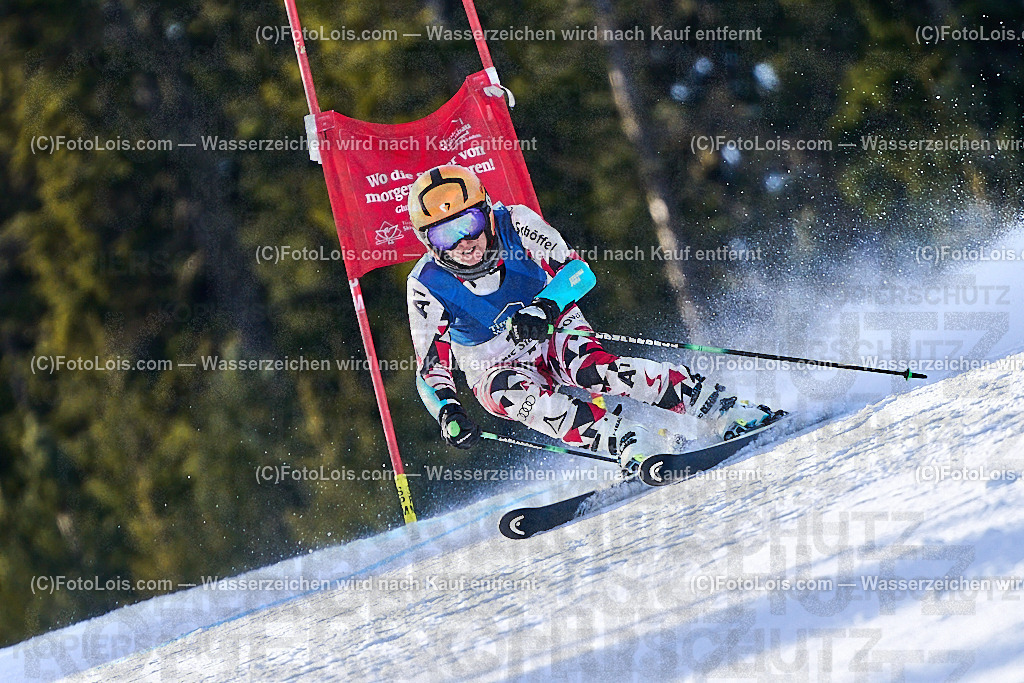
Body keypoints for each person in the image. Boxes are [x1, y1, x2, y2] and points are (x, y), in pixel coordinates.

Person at [406, 164, 780, 475]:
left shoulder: (515, 224)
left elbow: (578, 273)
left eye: (468, 224)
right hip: (491, 364)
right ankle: (626, 439)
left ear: (486, 215)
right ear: (428, 242)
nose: (463, 244)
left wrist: (545, 307)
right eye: (444, 235)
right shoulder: (427, 284)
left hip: (549, 327)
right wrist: (447, 411)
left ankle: (717, 406)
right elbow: (431, 367)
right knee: (518, 396)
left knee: (592, 370)